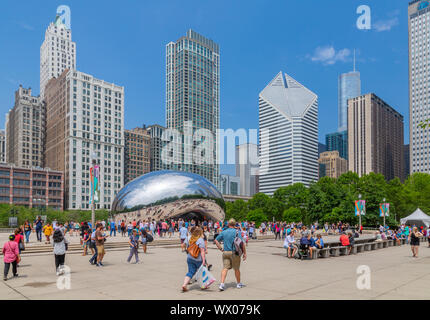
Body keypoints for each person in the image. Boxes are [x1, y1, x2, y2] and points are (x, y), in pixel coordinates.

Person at [214, 219, 247, 291]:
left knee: (225, 268)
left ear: (228, 224)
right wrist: (244, 253)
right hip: (234, 252)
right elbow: (242, 244)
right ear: (235, 224)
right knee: (236, 269)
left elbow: (216, 240)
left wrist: (220, 248)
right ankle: (238, 284)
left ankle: (222, 284)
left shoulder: (224, 232)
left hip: (225, 252)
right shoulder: (237, 232)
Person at [182, 227, 206, 292]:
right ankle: (203, 286)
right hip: (198, 259)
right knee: (202, 272)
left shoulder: (191, 239)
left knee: (190, 272)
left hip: (190, 257)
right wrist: (204, 261)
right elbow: (202, 251)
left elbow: (184, 245)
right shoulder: (200, 240)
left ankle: (184, 284)